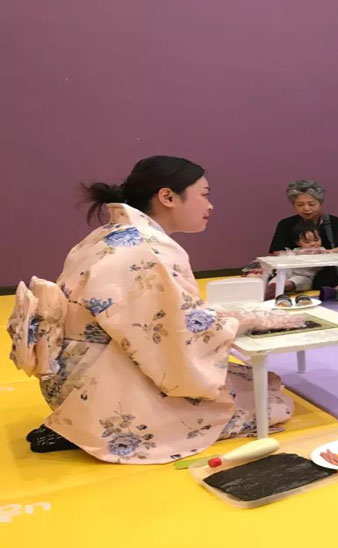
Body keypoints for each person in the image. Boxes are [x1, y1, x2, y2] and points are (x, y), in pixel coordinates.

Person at [6, 156, 299, 464]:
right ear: (168, 197)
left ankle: (77, 424)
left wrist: (227, 317)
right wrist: (244, 320)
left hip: (69, 371)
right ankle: (83, 429)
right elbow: (175, 335)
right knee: (271, 405)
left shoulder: (109, 233)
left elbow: (161, 320)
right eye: (204, 194)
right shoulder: (146, 249)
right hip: (96, 385)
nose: (210, 205)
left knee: (256, 383)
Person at [269, 179, 338, 287]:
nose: (306, 209)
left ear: (320, 203)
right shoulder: (285, 224)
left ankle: (335, 291)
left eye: (311, 204)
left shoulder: (336, 222)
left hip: (330, 269)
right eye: (300, 205)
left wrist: (325, 254)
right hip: (299, 271)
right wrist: (298, 256)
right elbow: (278, 251)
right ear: (293, 205)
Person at [259, 221, 338, 301]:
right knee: (277, 279)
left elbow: (322, 266)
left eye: (316, 240)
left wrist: (321, 255)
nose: (313, 244)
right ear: (298, 242)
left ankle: (285, 286)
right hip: (289, 273)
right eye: (307, 242)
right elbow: (283, 257)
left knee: (298, 281)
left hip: (306, 277)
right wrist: (291, 255)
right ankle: (268, 290)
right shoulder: (296, 251)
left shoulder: (322, 251)